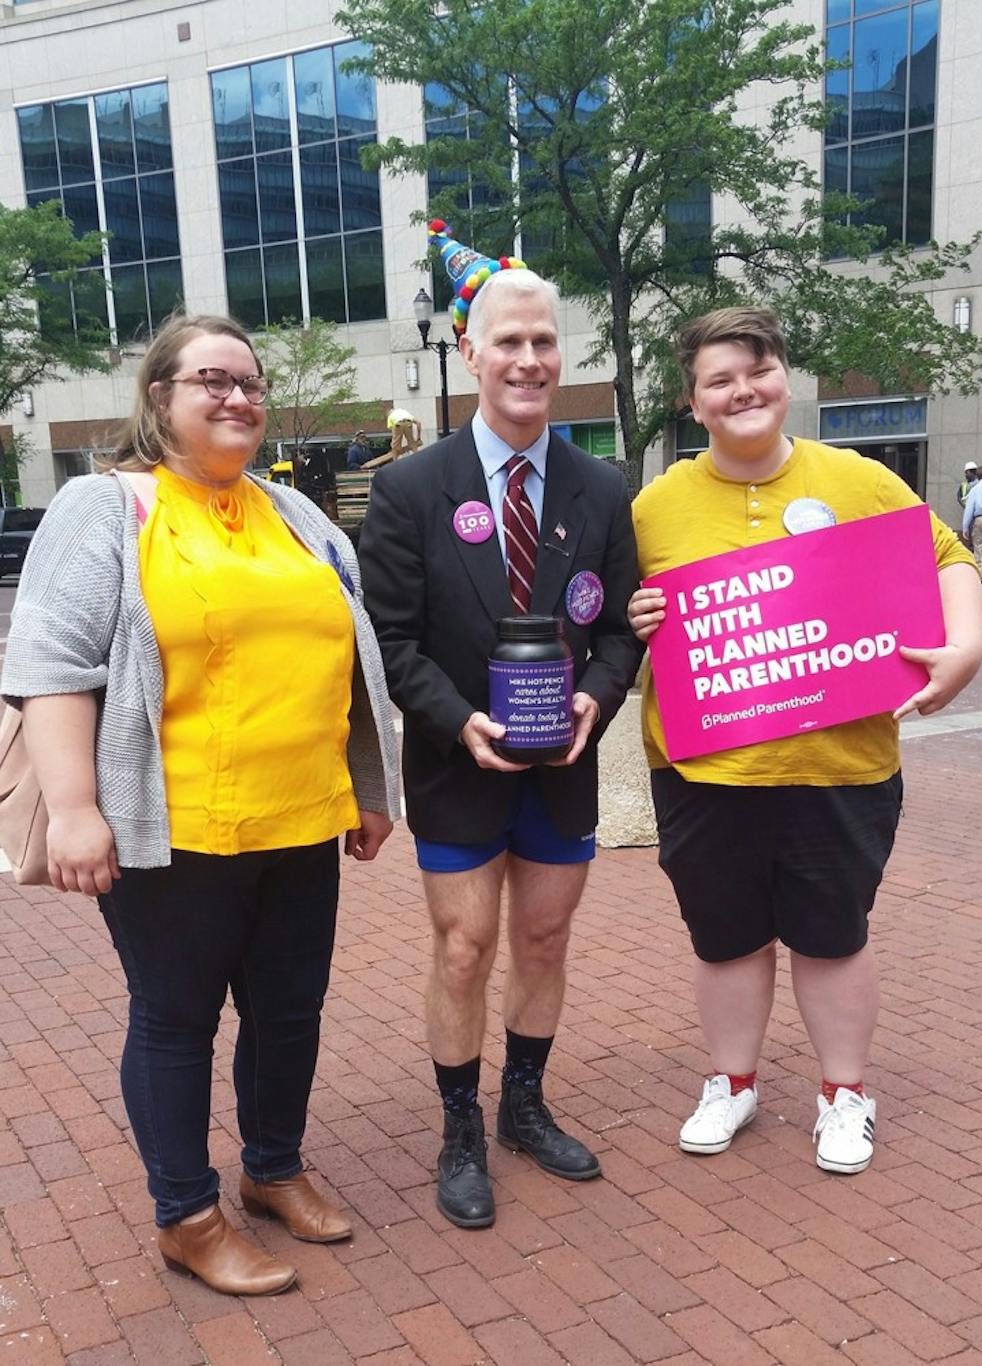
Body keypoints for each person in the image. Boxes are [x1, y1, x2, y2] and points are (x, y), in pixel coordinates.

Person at [2, 314, 400, 1296]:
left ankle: (272, 1169)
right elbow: (51, 664)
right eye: (212, 380)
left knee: (288, 1010)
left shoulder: (294, 513)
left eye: (251, 383)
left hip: (302, 817)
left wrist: (364, 786)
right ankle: (186, 1211)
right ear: (160, 398)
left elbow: (344, 656)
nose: (238, 398)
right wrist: (78, 806)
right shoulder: (108, 507)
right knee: (177, 1018)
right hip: (171, 827)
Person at [629, 307, 982, 1176]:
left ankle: (844, 1094)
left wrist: (967, 648)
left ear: (785, 378)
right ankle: (733, 1082)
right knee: (725, 938)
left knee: (833, 935)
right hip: (706, 770)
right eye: (720, 379)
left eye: (759, 369)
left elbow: (948, 558)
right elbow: (608, 616)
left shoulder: (858, 480)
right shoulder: (653, 507)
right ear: (693, 400)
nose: (743, 389)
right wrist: (637, 620)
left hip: (841, 765)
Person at [359, 224, 640, 1229]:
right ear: (469, 352)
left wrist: (594, 701)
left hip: (559, 763)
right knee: (464, 948)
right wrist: (456, 718)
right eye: (507, 342)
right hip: (457, 760)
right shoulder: (406, 489)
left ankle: (522, 1105)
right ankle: (458, 1128)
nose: (528, 360)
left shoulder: (602, 488)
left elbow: (618, 630)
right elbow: (388, 641)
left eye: (544, 342)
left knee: (546, 935)